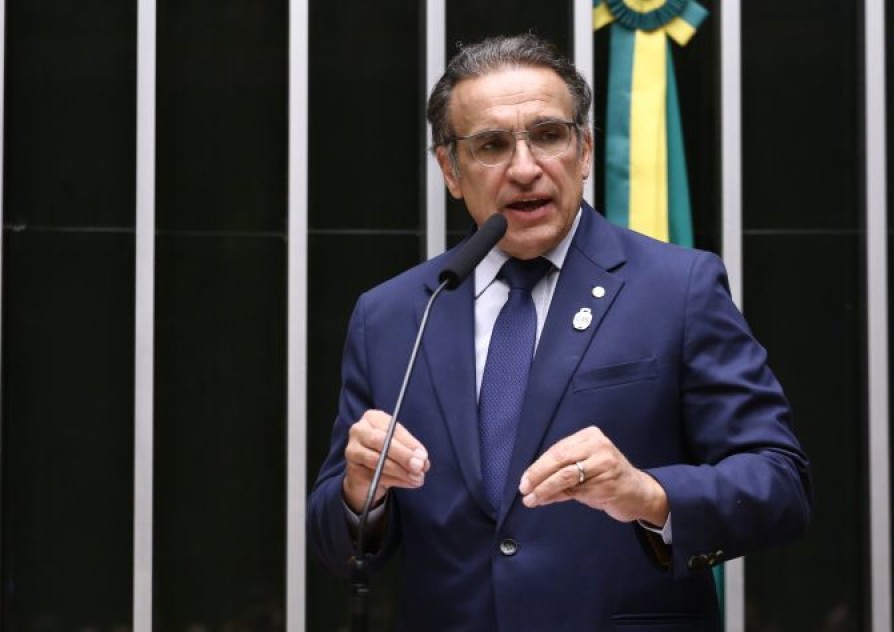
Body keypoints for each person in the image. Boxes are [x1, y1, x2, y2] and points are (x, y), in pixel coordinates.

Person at [308, 33, 812, 631]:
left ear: (586, 150)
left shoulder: (677, 289)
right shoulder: (393, 315)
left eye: (548, 136)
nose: (526, 169)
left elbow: (779, 483)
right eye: (492, 145)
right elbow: (336, 540)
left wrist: (647, 494)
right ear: (450, 169)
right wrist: (361, 493)